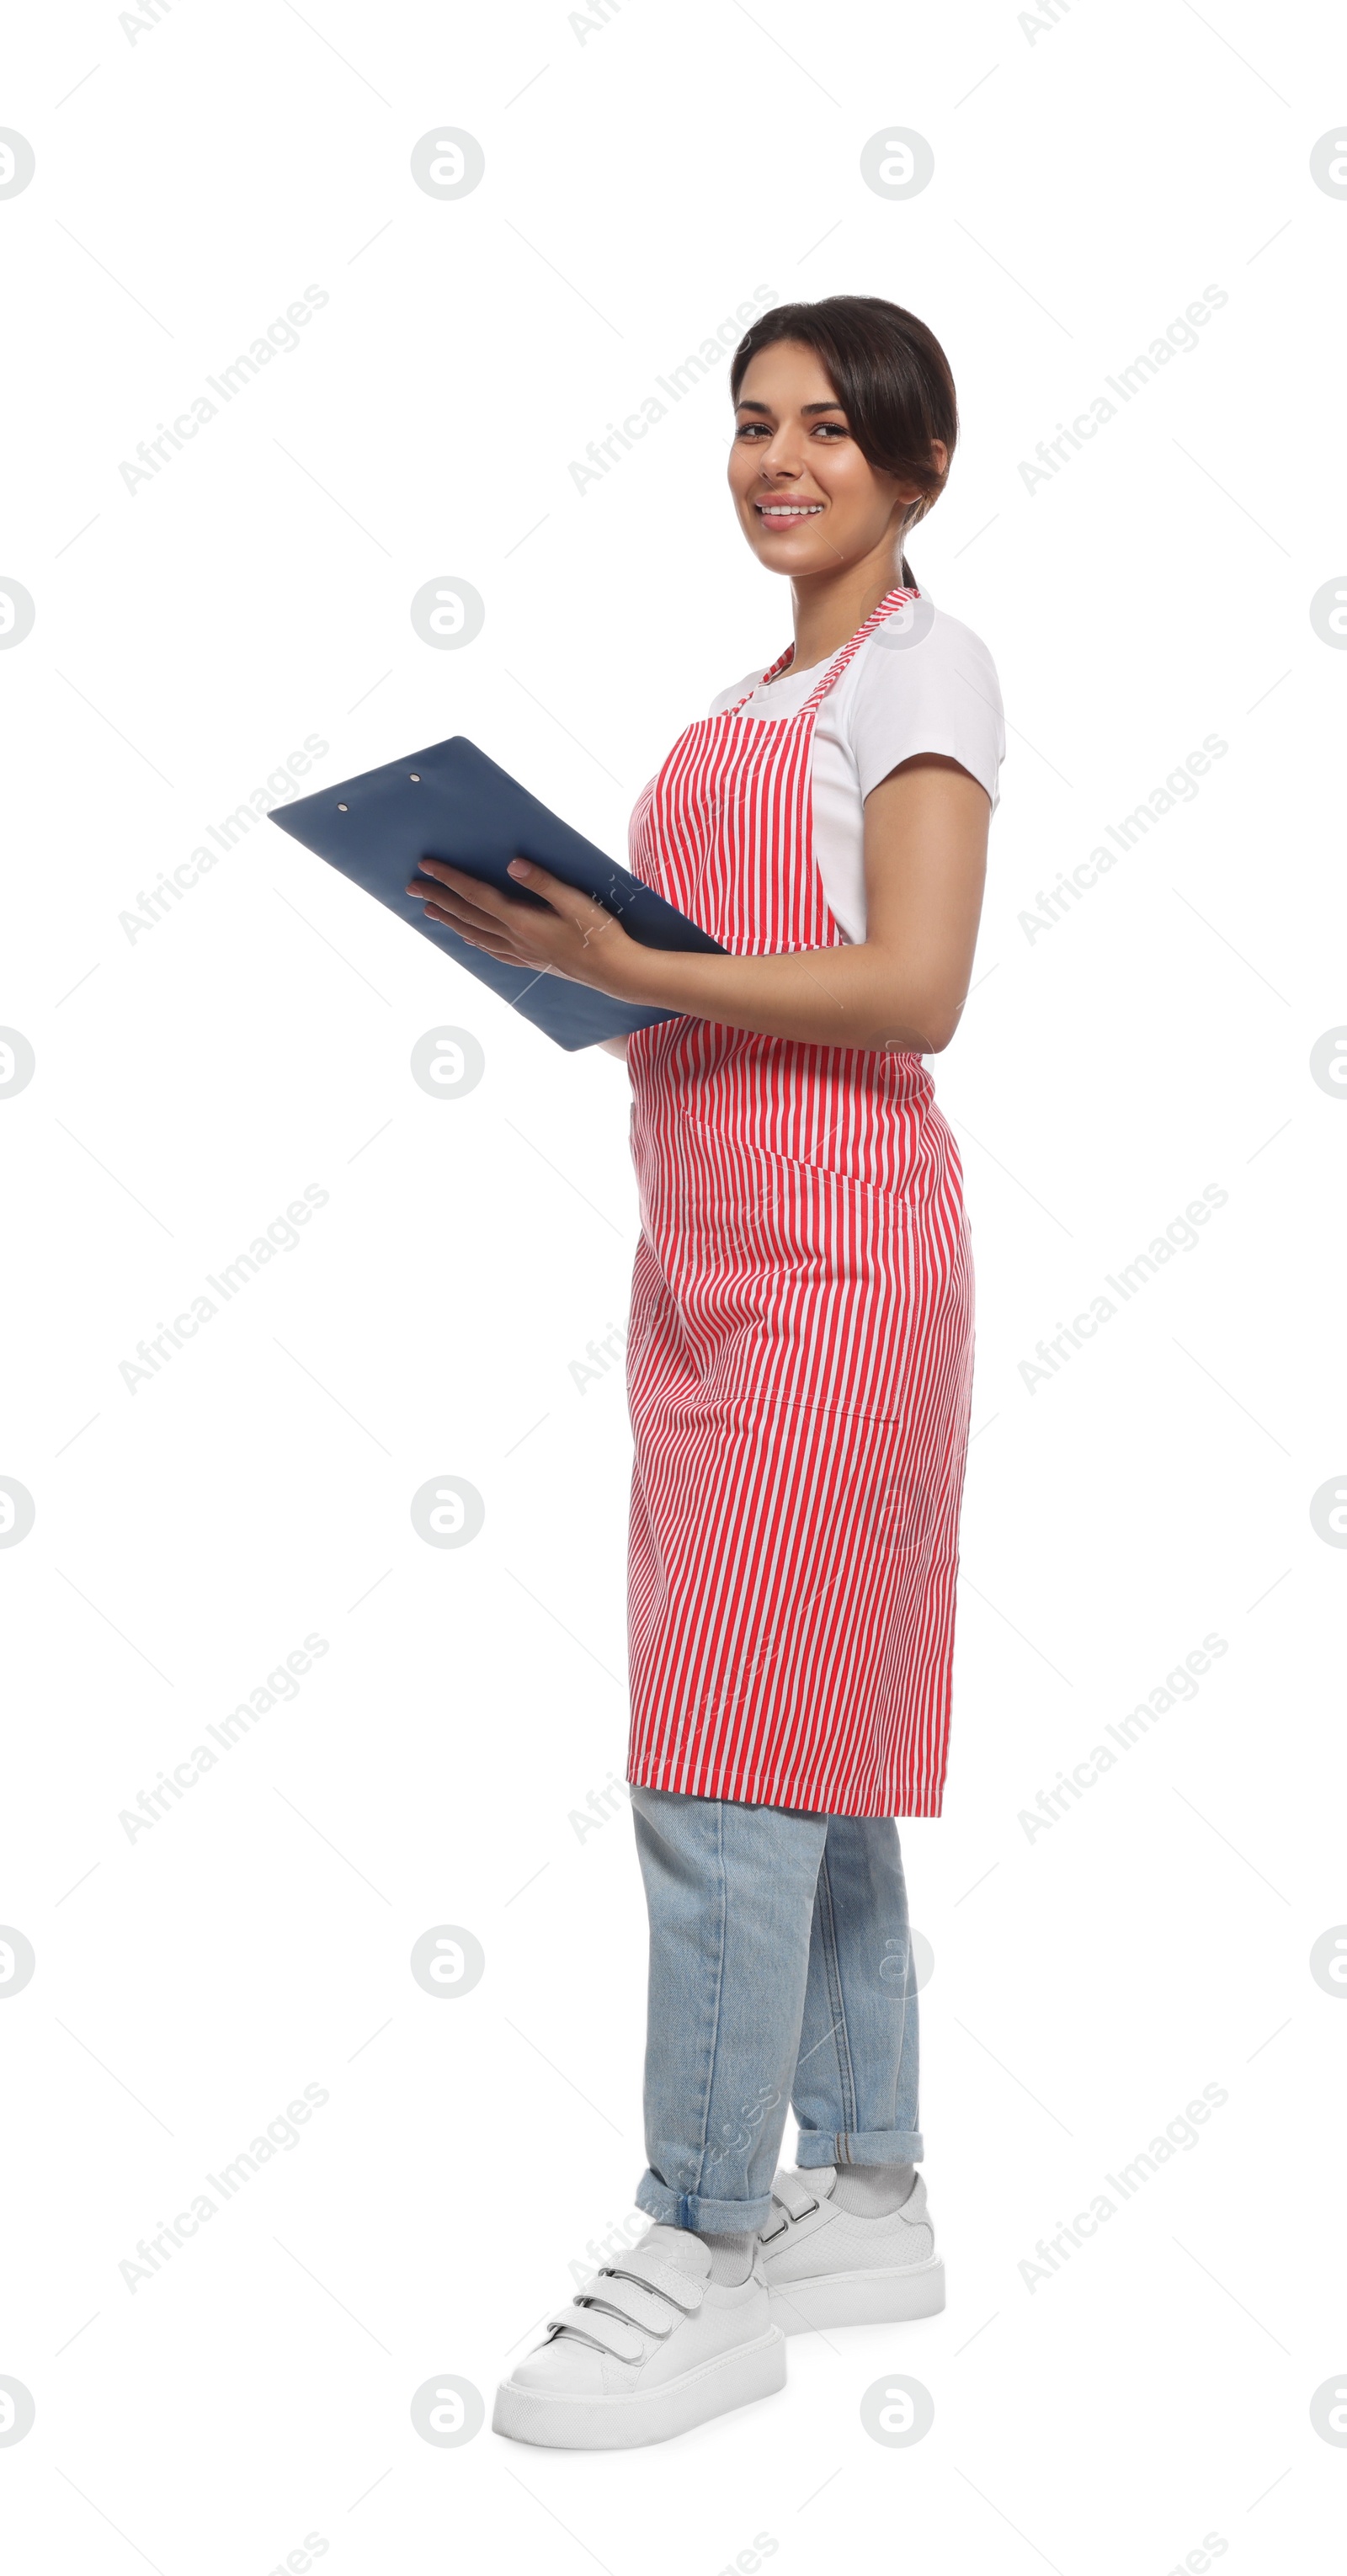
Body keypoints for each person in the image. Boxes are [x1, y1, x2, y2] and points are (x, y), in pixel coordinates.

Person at [408, 295, 1005, 2451]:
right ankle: (862, 2187)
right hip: (704, 1259)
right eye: (748, 426)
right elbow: (720, 985)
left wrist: (637, 958)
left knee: (723, 1753)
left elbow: (914, 986)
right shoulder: (743, 701)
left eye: (824, 430)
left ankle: (699, 2233)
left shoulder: (920, 670)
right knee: (805, 1739)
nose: (775, 461)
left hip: (841, 1263)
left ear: (912, 465)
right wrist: (561, 958)